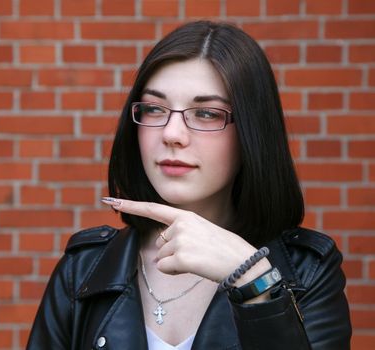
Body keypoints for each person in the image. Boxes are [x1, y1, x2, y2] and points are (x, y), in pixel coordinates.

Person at [26, 20, 351, 349]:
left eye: (206, 113)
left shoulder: (307, 273)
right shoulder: (83, 270)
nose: (172, 134)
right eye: (154, 108)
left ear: (252, 133)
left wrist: (255, 283)